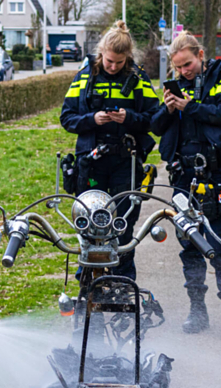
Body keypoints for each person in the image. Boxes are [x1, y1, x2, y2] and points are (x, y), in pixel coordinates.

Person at [151, 32, 221, 340]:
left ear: (201, 54)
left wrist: (189, 107)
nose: (184, 72)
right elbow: (154, 126)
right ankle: (198, 311)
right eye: (178, 68)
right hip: (182, 179)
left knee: (219, 245)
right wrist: (168, 108)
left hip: (215, 176)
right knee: (189, 247)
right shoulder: (175, 87)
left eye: (188, 64)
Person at [60, 21, 159, 280]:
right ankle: (87, 281)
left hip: (126, 162)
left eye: (119, 62)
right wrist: (93, 119)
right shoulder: (84, 77)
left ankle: (124, 282)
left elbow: (154, 119)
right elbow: (67, 117)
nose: (113, 67)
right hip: (91, 162)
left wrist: (129, 117)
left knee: (122, 226)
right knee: (90, 225)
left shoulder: (138, 78)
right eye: (109, 61)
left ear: (127, 57)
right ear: (101, 52)